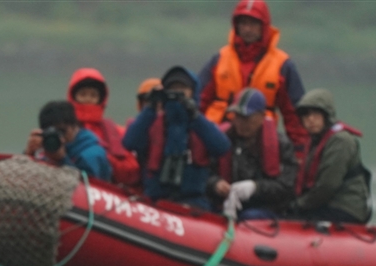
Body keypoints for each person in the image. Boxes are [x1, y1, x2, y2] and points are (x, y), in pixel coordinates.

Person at [198, 0, 309, 171]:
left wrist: (300, 152)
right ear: (236, 26)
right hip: (220, 135)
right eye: (243, 23)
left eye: (253, 23)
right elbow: (199, 102)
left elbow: (294, 115)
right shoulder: (220, 59)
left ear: (264, 26)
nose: (248, 29)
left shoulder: (282, 65)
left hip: (261, 139)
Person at [123, 66, 230, 209]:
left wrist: (195, 116)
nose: (177, 93)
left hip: (193, 202)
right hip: (155, 200)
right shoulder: (153, 123)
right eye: (172, 89)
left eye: (182, 89)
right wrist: (150, 108)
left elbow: (222, 146)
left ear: (193, 92)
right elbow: (129, 142)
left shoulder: (200, 124)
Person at [207, 88, 297, 220]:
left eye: (246, 118)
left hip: (264, 209)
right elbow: (206, 172)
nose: (240, 123)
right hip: (224, 204)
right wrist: (215, 184)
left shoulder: (281, 145)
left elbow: (287, 187)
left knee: (250, 217)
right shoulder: (223, 140)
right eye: (237, 117)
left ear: (261, 117)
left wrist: (255, 188)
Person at [288, 88, 372, 223]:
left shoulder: (340, 141)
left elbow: (327, 185)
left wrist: (298, 205)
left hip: (345, 207)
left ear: (327, 116)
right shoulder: (315, 141)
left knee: (290, 219)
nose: (310, 119)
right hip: (327, 204)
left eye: (316, 114)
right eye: (306, 115)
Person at [67, 68, 140, 187]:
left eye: (93, 95)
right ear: (73, 97)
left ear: (101, 99)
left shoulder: (115, 132)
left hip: (105, 191)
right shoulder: (63, 128)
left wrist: (104, 157)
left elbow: (131, 171)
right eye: (83, 94)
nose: (88, 99)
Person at [24, 100, 112, 181]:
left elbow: (85, 189)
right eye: (51, 132)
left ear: (75, 127)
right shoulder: (45, 148)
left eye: (61, 131)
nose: (59, 137)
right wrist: (28, 154)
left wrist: (62, 159)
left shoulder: (92, 155)